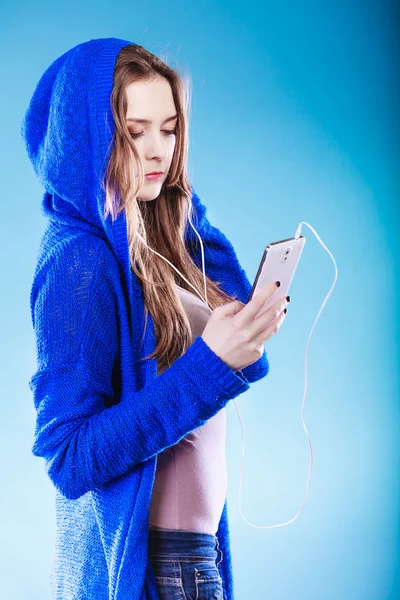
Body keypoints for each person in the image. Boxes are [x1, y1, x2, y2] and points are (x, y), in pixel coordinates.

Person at [21, 37, 289, 600]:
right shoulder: (80, 259)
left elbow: (242, 355)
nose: (158, 151)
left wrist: (179, 205)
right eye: (133, 131)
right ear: (88, 139)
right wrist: (209, 365)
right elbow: (70, 459)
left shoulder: (157, 242)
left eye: (169, 129)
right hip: (158, 568)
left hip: (193, 557)